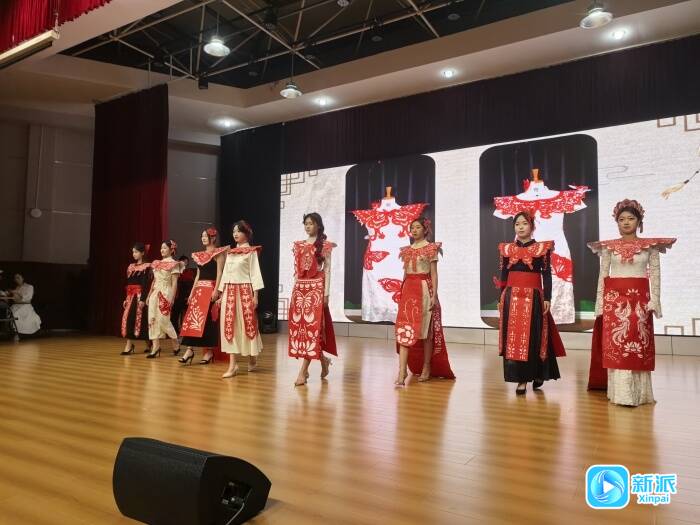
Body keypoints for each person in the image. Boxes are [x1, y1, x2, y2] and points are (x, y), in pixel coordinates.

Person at [587, 199, 675, 406]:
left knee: (638, 346)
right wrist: (600, 303)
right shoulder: (608, 247)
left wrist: (655, 300)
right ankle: (621, 394)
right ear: (617, 222)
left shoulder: (650, 247)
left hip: (640, 303)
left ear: (639, 221)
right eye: (621, 219)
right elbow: (603, 276)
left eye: (631, 218)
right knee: (618, 346)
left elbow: (655, 273)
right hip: (615, 303)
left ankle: (640, 394)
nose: (626, 222)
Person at [497, 210, 565, 395]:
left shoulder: (542, 249)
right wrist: (501, 297)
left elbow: (546, 275)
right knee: (515, 338)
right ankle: (521, 379)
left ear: (532, 226)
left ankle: (537, 373)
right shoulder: (507, 249)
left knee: (534, 337)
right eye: (517, 224)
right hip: (511, 297)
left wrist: (547, 297)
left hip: (533, 297)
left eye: (524, 223)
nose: (520, 227)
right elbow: (503, 275)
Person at [394, 217, 455, 386]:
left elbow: (433, 273)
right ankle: (402, 371)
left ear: (425, 229)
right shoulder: (406, 250)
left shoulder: (430, 248)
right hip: (408, 290)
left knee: (426, 332)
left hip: (424, 290)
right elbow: (405, 274)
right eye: (412, 227)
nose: (414, 230)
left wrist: (434, 295)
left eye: (418, 227)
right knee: (404, 330)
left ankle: (427, 366)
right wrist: (402, 292)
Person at [288, 213, 338, 386]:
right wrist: (294, 290)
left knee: (312, 330)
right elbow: (297, 271)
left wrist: (326, 294)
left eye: (311, 223)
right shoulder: (299, 245)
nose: (308, 226)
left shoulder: (325, 245)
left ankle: (303, 371)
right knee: (302, 330)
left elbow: (328, 270)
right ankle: (323, 361)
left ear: (318, 225)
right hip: (300, 289)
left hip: (316, 289)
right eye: (306, 223)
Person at [218, 221, 264, 378]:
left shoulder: (251, 252)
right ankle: (233, 365)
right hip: (229, 292)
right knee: (230, 326)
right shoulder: (230, 252)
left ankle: (252, 357)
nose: (235, 234)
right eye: (233, 231)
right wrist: (221, 293)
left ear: (246, 233)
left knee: (247, 325)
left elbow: (255, 274)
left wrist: (255, 295)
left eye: (238, 231)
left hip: (244, 291)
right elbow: (225, 274)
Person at [178, 228, 228, 365]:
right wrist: (191, 292)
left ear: (213, 238)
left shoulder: (219, 253)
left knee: (208, 322)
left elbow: (220, 273)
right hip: (199, 290)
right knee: (192, 320)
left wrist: (217, 290)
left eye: (206, 236)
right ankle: (189, 350)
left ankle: (209, 352)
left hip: (211, 289)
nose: (203, 238)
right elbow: (198, 276)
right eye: (202, 236)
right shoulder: (199, 255)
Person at [146, 240, 182, 358]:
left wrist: (172, 298)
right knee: (152, 319)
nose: (162, 250)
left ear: (171, 250)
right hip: (155, 293)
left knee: (164, 320)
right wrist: (149, 295)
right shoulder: (157, 263)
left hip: (166, 293)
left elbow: (174, 283)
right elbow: (154, 281)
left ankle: (175, 342)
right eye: (161, 248)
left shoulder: (174, 264)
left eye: (165, 248)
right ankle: (155, 347)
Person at [120, 242, 152, 355]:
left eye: (136, 252)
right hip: (130, 297)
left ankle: (148, 344)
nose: (134, 254)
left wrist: (143, 299)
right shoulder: (131, 266)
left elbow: (145, 284)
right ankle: (129, 345)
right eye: (133, 252)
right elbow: (129, 283)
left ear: (142, 253)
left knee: (142, 320)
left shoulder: (147, 266)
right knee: (129, 318)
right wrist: (126, 298)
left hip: (139, 296)